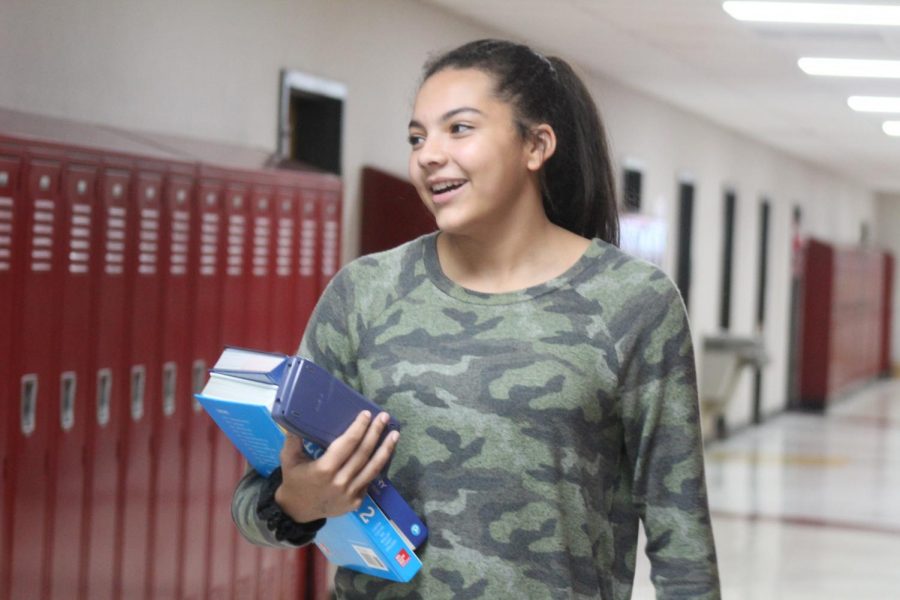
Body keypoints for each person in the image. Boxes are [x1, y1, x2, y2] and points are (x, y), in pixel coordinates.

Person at [233, 38, 720, 599]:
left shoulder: (633, 301)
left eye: (458, 129)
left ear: (536, 146)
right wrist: (303, 501)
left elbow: (680, 534)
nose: (428, 154)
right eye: (417, 137)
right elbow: (253, 503)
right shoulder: (364, 292)